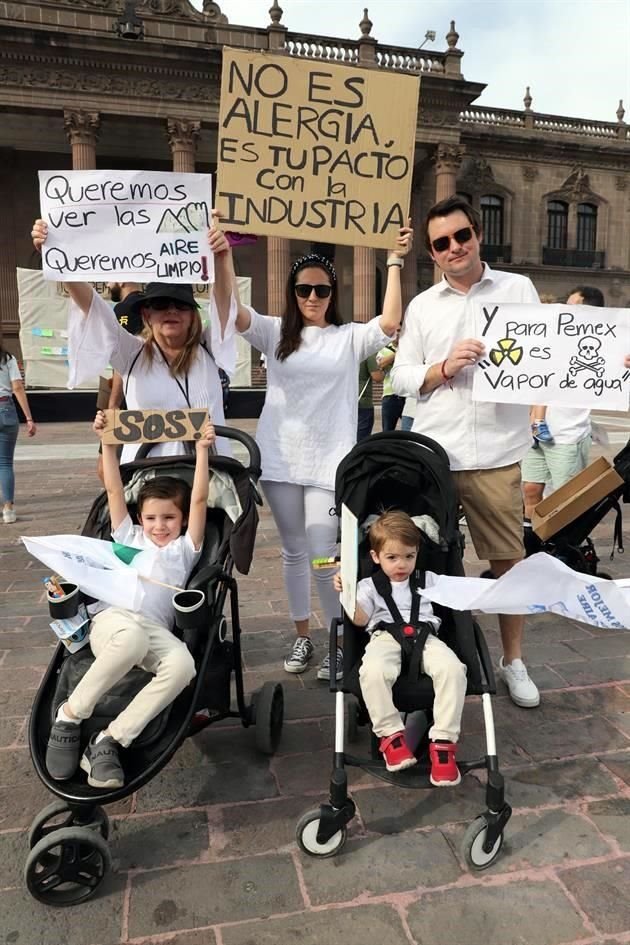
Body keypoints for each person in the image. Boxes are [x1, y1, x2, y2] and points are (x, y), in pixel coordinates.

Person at [211, 226, 412, 681]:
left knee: (324, 554)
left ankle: (337, 638)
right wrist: (224, 258)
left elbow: (390, 322)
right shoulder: (275, 331)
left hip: (329, 463)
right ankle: (304, 635)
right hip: (282, 461)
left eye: (322, 289)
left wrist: (395, 261)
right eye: (304, 289)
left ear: (332, 292)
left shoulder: (349, 337)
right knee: (293, 552)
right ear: (293, 292)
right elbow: (231, 311)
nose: (313, 296)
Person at [391, 195, 540, 709]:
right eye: (441, 243)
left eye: (461, 235)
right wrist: (444, 367)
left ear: (477, 233)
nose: (454, 247)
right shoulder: (422, 306)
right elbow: (401, 375)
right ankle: (432, 653)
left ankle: (513, 660)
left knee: (509, 563)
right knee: (427, 558)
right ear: (432, 254)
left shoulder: (518, 288)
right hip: (436, 454)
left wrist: (612, 362)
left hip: (498, 453)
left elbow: (550, 352)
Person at [44, 409, 215, 789]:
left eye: (169, 518)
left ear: (182, 520)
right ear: (140, 518)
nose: (160, 526)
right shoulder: (128, 538)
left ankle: (109, 740)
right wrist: (108, 443)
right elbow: (113, 490)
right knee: (132, 638)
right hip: (115, 620)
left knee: (182, 665)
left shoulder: (185, 549)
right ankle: (70, 716)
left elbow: (201, 499)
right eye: (152, 518)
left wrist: (203, 450)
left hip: (155, 629)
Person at [31, 219, 232, 461]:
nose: (171, 311)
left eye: (181, 304)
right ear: (146, 313)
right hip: (147, 484)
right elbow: (95, 309)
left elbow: (224, 305)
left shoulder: (209, 347)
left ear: (193, 314)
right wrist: (57, 257)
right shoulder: (131, 352)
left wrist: (221, 258)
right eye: (160, 304)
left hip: (208, 479)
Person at [333, 511, 467, 783]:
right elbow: (359, 620)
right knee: (372, 672)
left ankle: (443, 742)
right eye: (392, 558)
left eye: (409, 556)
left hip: (426, 637)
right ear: (375, 557)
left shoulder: (427, 579)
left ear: (417, 553)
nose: (401, 564)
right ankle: (390, 735)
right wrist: (346, 593)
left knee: (453, 669)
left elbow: (457, 592)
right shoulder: (368, 586)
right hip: (384, 637)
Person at [521, 286, 604, 551]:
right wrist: (534, 418)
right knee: (530, 490)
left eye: (571, 306)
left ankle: (561, 547)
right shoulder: (552, 340)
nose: (563, 310)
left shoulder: (601, 345)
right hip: (536, 432)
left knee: (563, 499)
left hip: (568, 434)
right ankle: (534, 545)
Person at [0, 334, 36, 523]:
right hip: (6, 408)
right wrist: (29, 418)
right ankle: (8, 510)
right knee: (5, 463)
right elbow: (18, 388)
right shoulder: (8, 359)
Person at [376, 336, 406, 431]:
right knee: (387, 431)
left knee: (410, 429)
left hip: (407, 395)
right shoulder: (385, 350)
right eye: (395, 334)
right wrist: (397, 354)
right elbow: (380, 363)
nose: (397, 336)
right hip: (390, 396)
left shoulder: (409, 349)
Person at [357, 352, 383, 441]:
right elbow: (377, 377)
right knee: (362, 439)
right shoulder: (367, 353)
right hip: (363, 401)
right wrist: (381, 369)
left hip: (346, 400)